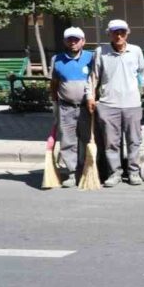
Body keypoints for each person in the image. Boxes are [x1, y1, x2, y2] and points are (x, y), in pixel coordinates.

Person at [89, 19, 144, 186]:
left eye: (122, 32)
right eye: (115, 32)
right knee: (111, 142)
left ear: (127, 33)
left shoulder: (135, 51)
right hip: (108, 104)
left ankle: (133, 172)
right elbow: (94, 76)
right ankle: (115, 173)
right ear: (109, 34)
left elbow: (142, 72)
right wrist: (90, 96)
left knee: (134, 140)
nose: (119, 35)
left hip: (132, 103)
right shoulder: (101, 51)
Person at [49, 27, 93, 187]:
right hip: (66, 107)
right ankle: (72, 172)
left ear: (83, 41)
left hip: (87, 108)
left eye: (77, 39)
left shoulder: (92, 57)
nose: (73, 42)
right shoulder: (57, 59)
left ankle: (90, 170)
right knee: (68, 141)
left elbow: (99, 80)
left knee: (89, 139)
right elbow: (54, 84)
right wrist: (54, 104)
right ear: (64, 41)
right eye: (70, 39)